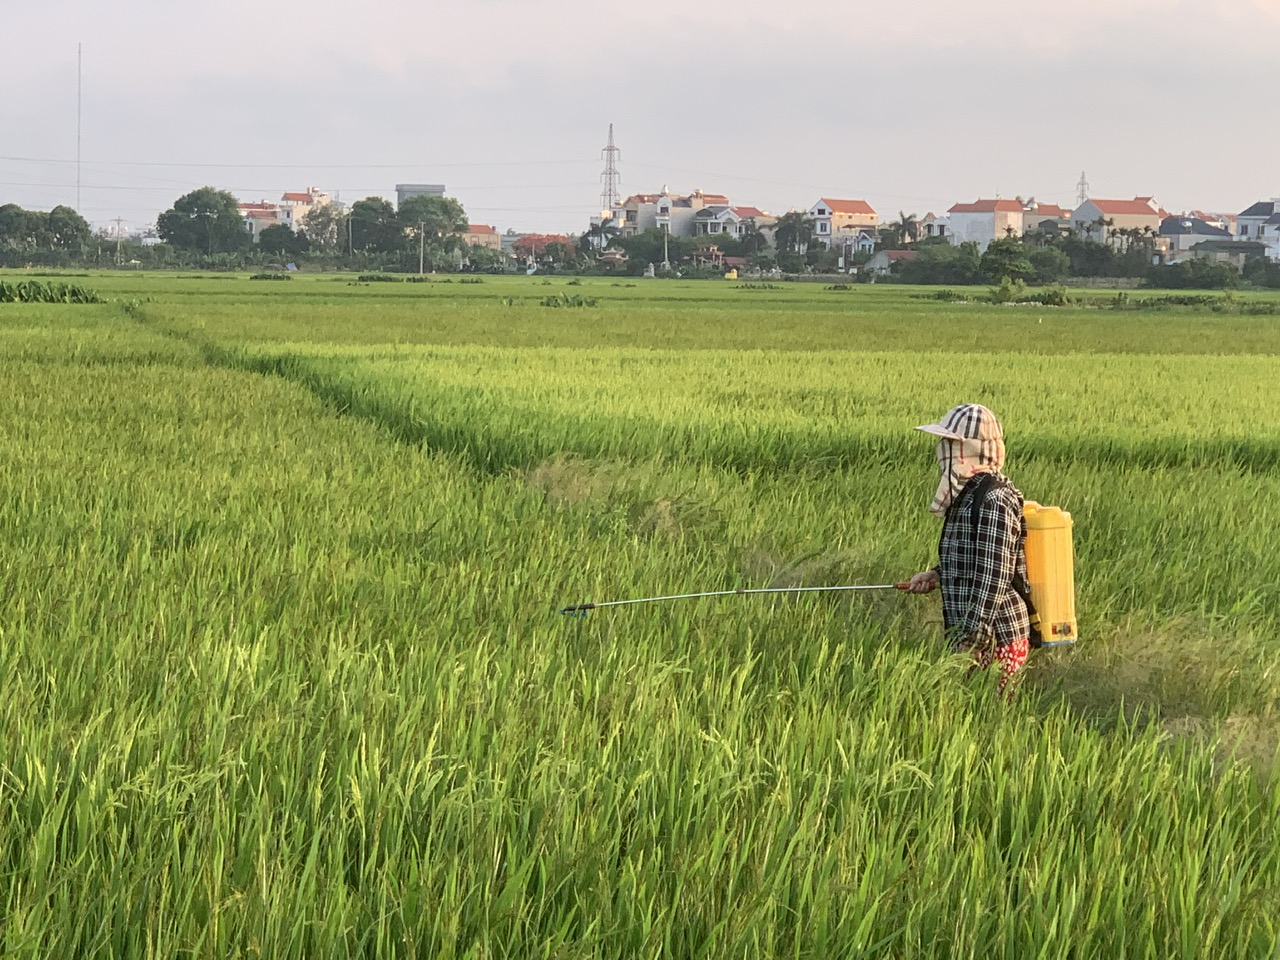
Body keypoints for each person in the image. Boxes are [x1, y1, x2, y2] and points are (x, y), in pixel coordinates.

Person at [905, 403, 1030, 695]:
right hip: (971, 634)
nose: (941, 451)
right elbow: (972, 557)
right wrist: (936, 575)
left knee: (989, 719)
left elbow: (993, 576)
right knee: (969, 712)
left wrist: (973, 641)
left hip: (996, 636)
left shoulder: (994, 500)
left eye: (949, 444)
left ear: (971, 450)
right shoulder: (968, 496)